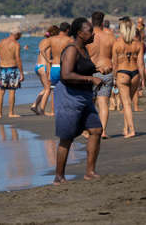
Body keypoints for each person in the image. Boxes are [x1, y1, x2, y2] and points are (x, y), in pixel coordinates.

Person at [54, 17, 102, 185]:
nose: (93, 33)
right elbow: (66, 75)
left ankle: (90, 172)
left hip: (85, 97)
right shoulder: (72, 50)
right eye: (89, 30)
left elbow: (81, 68)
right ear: (80, 34)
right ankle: (59, 177)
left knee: (96, 129)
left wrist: (98, 69)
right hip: (70, 96)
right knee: (66, 138)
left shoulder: (84, 50)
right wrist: (90, 79)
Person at [112, 18, 145, 138]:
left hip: (122, 73)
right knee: (129, 103)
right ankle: (126, 128)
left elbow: (114, 64)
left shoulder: (117, 44)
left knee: (126, 104)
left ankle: (132, 129)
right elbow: (141, 64)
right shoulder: (138, 44)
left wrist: (114, 79)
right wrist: (142, 79)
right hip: (135, 73)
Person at [87, 11, 116, 139]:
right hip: (107, 71)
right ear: (103, 22)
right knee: (103, 102)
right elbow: (115, 58)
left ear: (91, 22)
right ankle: (103, 131)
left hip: (92, 72)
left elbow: (84, 57)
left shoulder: (88, 37)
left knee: (90, 103)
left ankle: (91, 130)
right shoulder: (110, 37)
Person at [41, 22, 74, 115]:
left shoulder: (52, 39)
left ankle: (53, 111)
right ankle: (65, 110)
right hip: (64, 67)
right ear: (67, 30)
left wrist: (48, 60)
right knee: (67, 90)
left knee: (54, 91)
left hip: (54, 67)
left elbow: (42, 49)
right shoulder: (69, 40)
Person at [0, 27, 24, 118]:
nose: (20, 37)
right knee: (11, 91)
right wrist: (21, 73)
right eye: (20, 35)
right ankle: (11, 113)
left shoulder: (1, 42)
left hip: (2, 68)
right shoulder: (16, 44)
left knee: (1, 91)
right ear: (16, 34)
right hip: (12, 69)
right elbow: (18, 59)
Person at [31, 25, 58, 116]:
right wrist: (49, 67)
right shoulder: (50, 42)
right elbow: (47, 53)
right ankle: (42, 110)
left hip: (38, 66)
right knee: (48, 89)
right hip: (44, 67)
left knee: (46, 88)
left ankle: (35, 105)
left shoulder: (42, 41)